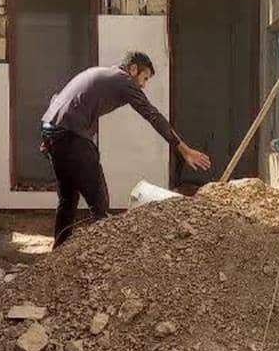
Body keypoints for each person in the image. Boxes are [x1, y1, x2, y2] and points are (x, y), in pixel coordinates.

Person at [41, 52, 212, 247]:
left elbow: (60, 98)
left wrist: (50, 137)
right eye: (144, 78)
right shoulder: (123, 80)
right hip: (70, 135)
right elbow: (152, 114)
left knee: (68, 197)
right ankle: (104, 256)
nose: (143, 85)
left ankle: (59, 251)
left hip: (52, 129)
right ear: (133, 69)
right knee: (99, 201)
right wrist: (184, 149)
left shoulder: (101, 74)